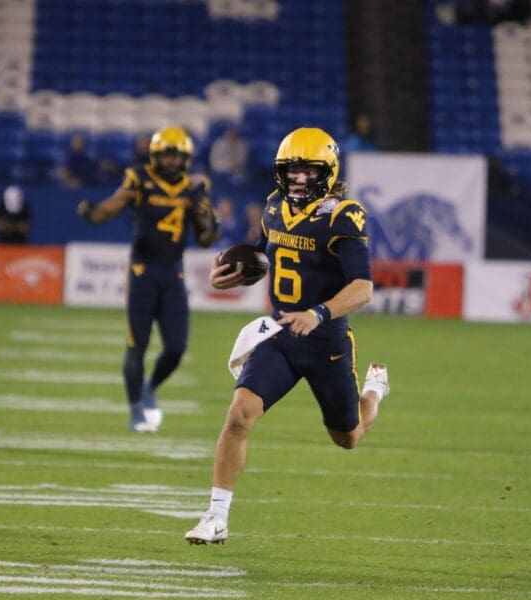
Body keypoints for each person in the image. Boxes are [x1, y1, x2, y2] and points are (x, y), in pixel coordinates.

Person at [185, 127, 390, 545]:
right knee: (239, 414)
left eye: (308, 171)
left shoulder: (343, 215)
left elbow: (363, 288)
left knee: (348, 437)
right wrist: (232, 275)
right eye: (291, 170)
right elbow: (261, 258)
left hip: (326, 341)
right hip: (279, 334)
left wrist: (319, 312)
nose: (297, 178)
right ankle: (216, 517)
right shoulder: (274, 206)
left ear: (328, 172)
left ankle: (374, 391)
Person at [77, 126, 219, 432]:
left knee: (176, 347)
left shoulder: (194, 187)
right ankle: (135, 411)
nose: (171, 161)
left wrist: (211, 223)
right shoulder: (139, 179)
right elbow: (111, 207)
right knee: (137, 345)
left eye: (176, 155)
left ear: (186, 158)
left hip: (173, 273)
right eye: (166, 155)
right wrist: (94, 212)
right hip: (143, 272)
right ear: (155, 156)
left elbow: (205, 239)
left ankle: (150, 387)